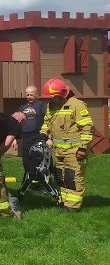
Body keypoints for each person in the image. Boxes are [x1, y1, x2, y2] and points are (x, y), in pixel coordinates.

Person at [39, 78, 94, 213]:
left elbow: (87, 127)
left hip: (74, 151)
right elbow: (47, 122)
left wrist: (82, 148)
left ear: (62, 94)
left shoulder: (77, 105)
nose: (50, 100)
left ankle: (73, 206)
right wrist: (43, 133)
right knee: (60, 177)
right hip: (58, 151)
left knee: (72, 177)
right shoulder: (51, 106)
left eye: (53, 97)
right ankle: (64, 201)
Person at [18, 85, 47, 176]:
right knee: (26, 160)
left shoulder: (42, 106)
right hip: (25, 137)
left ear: (37, 95)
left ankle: (40, 180)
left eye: (31, 95)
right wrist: (15, 139)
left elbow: (48, 120)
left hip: (37, 136)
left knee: (38, 159)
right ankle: (29, 178)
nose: (29, 97)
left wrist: (48, 137)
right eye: (27, 95)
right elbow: (17, 123)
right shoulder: (22, 107)